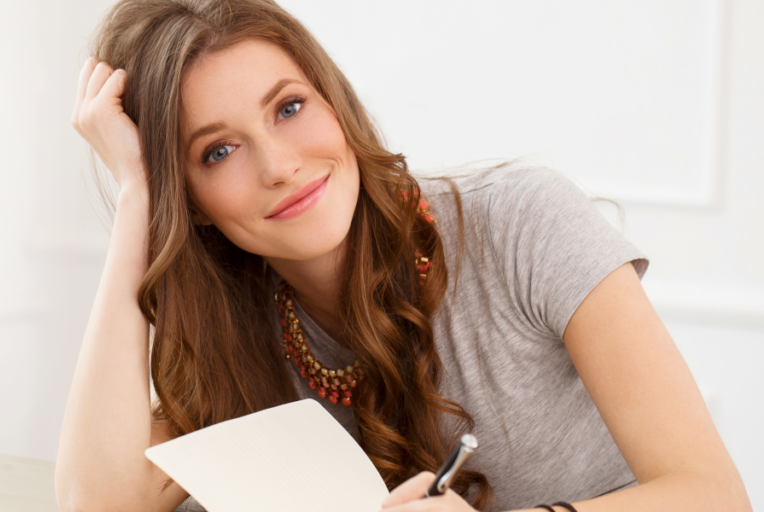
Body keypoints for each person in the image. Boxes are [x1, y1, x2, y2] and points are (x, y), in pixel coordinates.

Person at [54, 0, 751, 511]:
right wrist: (138, 199)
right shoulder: (228, 322)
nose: (279, 166)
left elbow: (714, 495)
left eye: (289, 108)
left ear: (336, 105)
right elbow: (98, 504)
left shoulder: (523, 221)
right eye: (218, 151)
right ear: (192, 201)